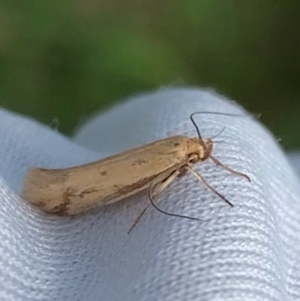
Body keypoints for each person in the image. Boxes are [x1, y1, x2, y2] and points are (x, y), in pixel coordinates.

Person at [1, 88, 299, 301]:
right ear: (194, 155)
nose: (207, 155)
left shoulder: (184, 145)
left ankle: (52, 184)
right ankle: (53, 189)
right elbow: (174, 176)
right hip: (76, 191)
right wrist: (216, 188)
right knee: (97, 182)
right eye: (202, 154)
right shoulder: (181, 156)